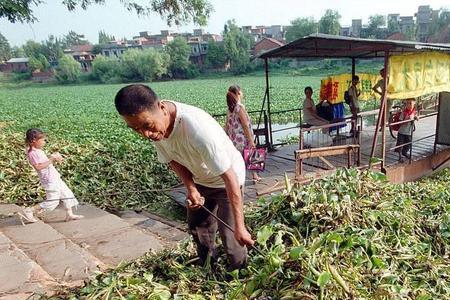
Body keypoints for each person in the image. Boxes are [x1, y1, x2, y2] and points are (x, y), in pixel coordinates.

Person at [114, 84, 254, 270]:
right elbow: (172, 159)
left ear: (161, 107)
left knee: (231, 235)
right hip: (200, 178)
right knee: (198, 226)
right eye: (135, 129)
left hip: (227, 179)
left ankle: (240, 274)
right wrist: (191, 188)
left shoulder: (197, 129)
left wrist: (240, 225)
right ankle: (208, 268)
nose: (145, 134)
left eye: (147, 126)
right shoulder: (157, 130)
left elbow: (229, 177)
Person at [19, 128, 84, 224]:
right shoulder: (32, 153)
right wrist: (52, 159)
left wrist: (55, 158)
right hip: (49, 180)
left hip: (54, 177)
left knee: (67, 194)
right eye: (43, 140)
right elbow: (39, 167)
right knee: (53, 201)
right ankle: (29, 210)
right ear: (34, 141)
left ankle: (69, 214)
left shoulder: (38, 150)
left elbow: (46, 163)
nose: (45, 142)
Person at [225, 85, 262, 184]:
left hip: (234, 139)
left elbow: (226, 126)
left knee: (238, 159)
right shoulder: (239, 108)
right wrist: (251, 140)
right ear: (238, 93)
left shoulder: (230, 109)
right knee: (252, 154)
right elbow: (245, 125)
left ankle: (237, 179)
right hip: (242, 138)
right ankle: (255, 176)